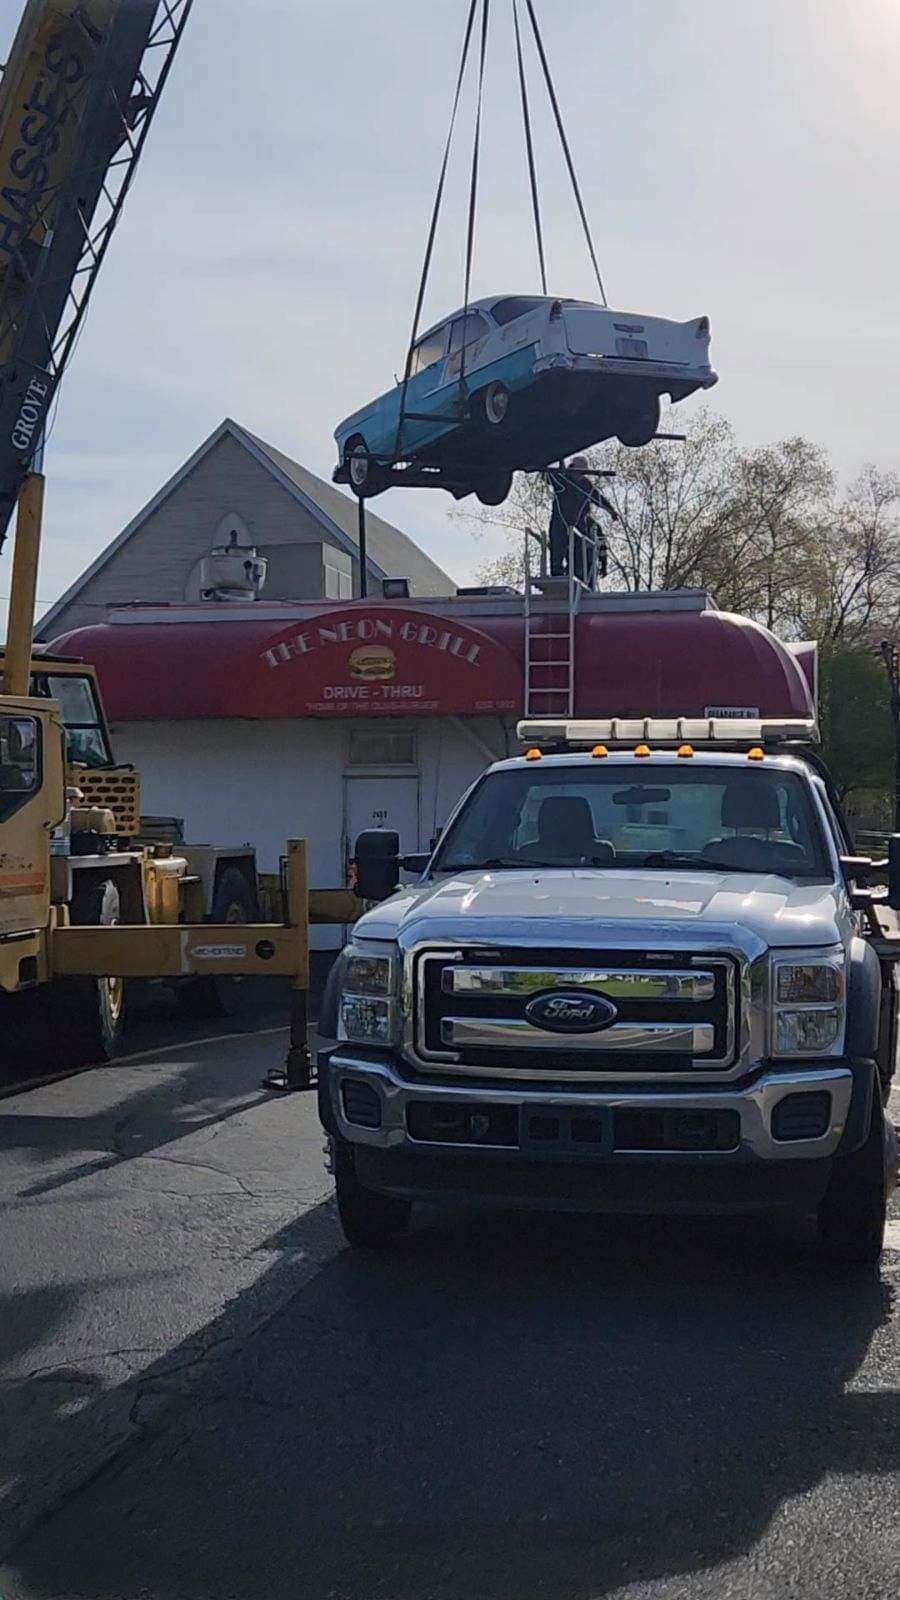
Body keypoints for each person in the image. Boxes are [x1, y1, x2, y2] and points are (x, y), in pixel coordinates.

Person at [545, 456, 617, 583]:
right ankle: (557, 576)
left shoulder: (586, 485)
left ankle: (577, 575)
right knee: (557, 550)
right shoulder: (562, 480)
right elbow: (548, 476)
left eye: (582, 473)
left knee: (578, 553)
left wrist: (611, 510)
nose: (580, 475)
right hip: (560, 523)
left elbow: (598, 498)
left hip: (578, 525)